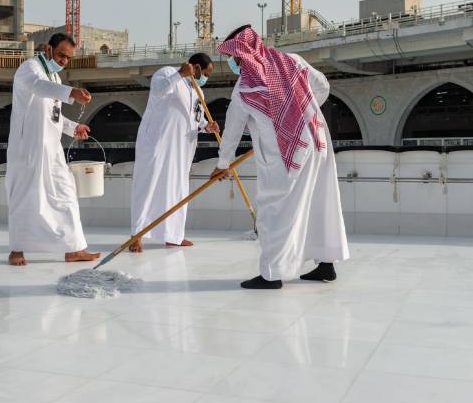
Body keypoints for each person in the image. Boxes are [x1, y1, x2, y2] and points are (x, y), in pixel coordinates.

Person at [209, 25, 349, 289]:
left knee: (274, 212)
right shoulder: (293, 61)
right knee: (320, 201)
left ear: (243, 53)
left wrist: (222, 164)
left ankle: (272, 274)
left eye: (235, 57)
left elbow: (233, 130)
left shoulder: (245, 87)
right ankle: (326, 265)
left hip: (284, 156)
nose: (235, 62)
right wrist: (300, 112)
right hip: (316, 141)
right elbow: (323, 86)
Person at [5, 33, 101, 266]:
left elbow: (54, 115)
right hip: (28, 148)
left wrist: (74, 127)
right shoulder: (29, 69)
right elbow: (39, 87)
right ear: (48, 49)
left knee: (66, 193)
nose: (64, 61)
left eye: (68, 58)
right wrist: (72, 93)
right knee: (25, 197)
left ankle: (74, 249)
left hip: (52, 149)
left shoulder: (55, 79)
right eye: (61, 55)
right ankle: (17, 250)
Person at [129, 53, 220, 253]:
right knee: (148, 185)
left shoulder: (198, 93)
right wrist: (180, 73)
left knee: (177, 189)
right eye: (205, 73)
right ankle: (137, 234)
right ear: (195, 67)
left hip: (181, 149)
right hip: (157, 143)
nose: (206, 78)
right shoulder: (167, 73)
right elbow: (158, 91)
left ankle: (174, 236)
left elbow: (195, 118)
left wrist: (207, 126)